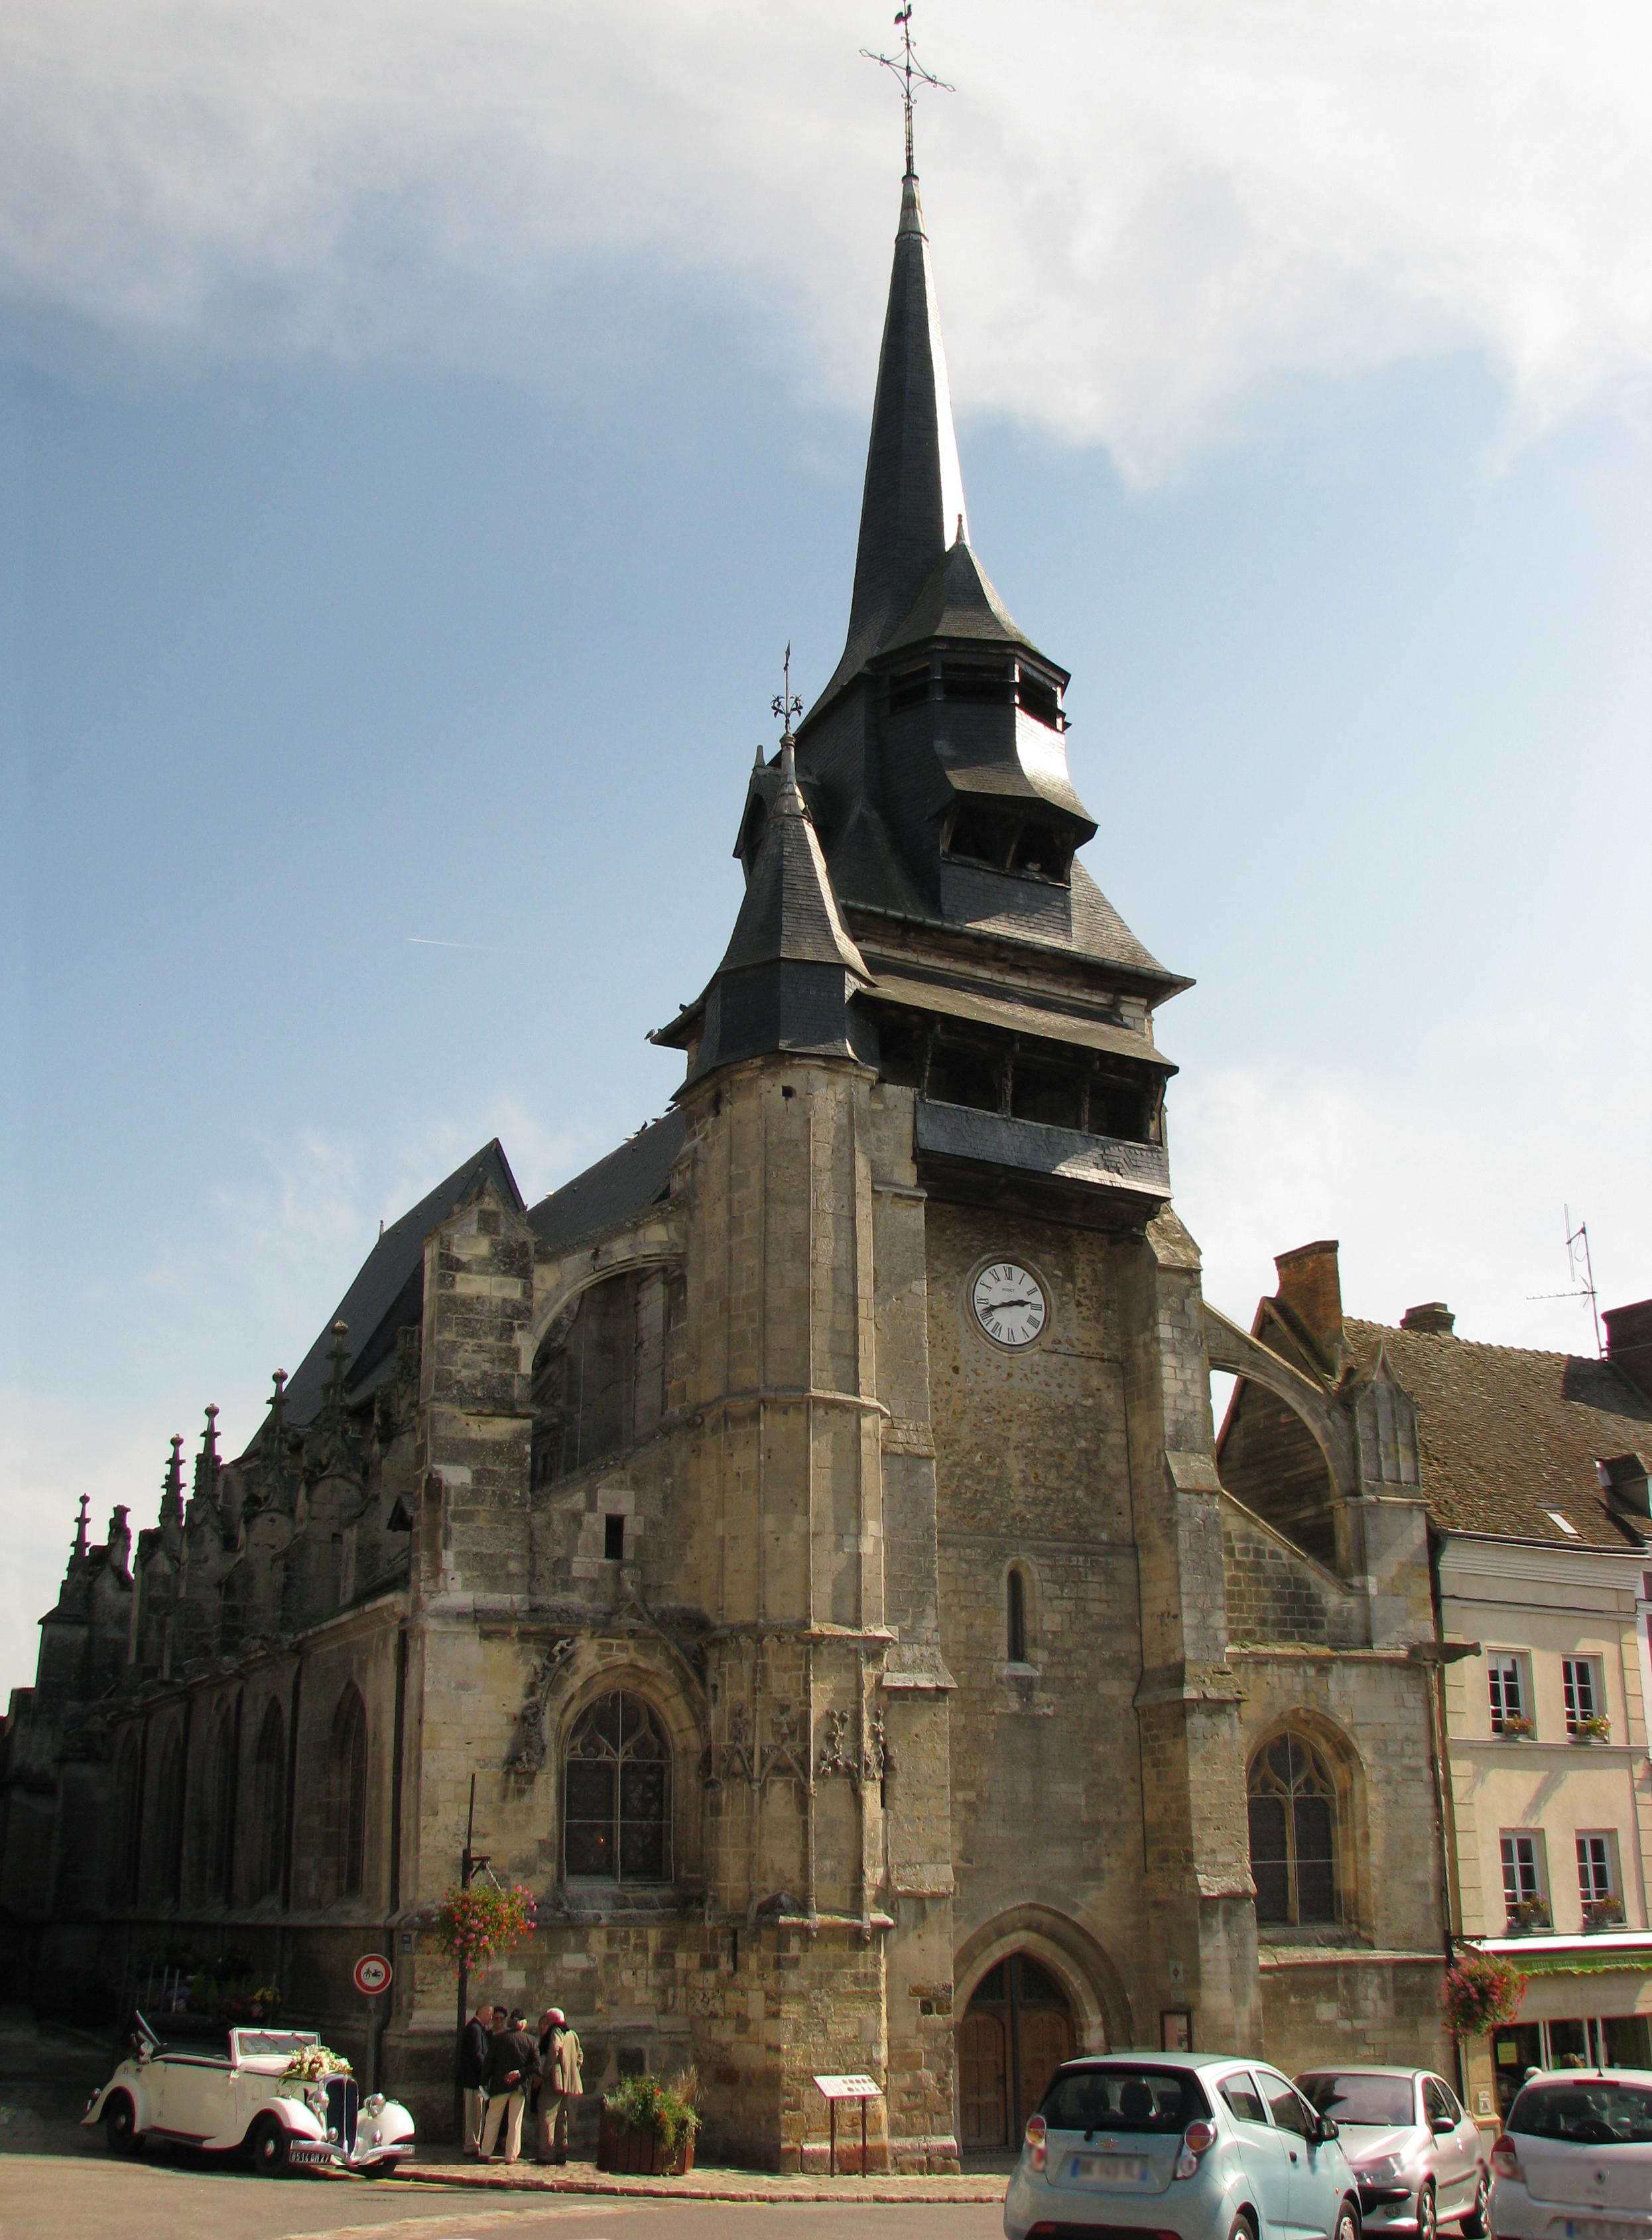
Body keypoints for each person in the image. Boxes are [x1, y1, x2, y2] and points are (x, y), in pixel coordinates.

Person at [480, 2009, 539, 2164]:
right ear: (524, 2024)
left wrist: (485, 2081)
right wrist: (519, 2073)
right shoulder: (531, 2041)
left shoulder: (499, 2039)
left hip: (500, 2085)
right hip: (519, 2086)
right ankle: (511, 2156)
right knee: (515, 2121)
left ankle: (485, 2152)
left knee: (492, 2118)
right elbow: (536, 2065)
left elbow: (489, 2062)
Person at [536, 2006, 584, 2164]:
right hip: (568, 2082)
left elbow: (554, 2051)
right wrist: (572, 2071)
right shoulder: (572, 2034)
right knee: (562, 2117)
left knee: (547, 2116)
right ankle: (561, 2150)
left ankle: (547, 2153)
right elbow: (580, 2057)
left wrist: (546, 2071)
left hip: (554, 2081)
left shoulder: (557, 2031)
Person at [458, 2000, 494, 2158]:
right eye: (489, 2014)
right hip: (474, 2080)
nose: (491, 2017)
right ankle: (471, 2144)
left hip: (475, 2080)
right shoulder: (474, 2029)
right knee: (474, 2113)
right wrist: (486, 2071)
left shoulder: (479, 2029)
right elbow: (477, 2055)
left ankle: (474, 2143)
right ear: (482, 2013)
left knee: (477, 2113)